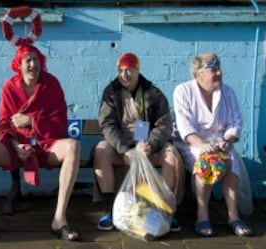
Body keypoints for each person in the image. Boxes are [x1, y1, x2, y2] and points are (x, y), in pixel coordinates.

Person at [0, 44, 81, 241]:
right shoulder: (8, 87)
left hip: (45, 145)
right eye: (27, 60)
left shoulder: (52, 84)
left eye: (36, 59)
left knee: (73, 146)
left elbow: (60, 123)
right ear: (19, 65)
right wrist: (16, 146)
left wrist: (31, 121)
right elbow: (3, 125)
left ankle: (59, 219)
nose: (33, 64)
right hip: (14, 147)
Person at [93, 52, 185, 232]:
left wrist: (151, 144)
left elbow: (164, 124)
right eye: (121, 70)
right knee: (101, 151)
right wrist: (125, 149)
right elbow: (107, 124)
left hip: (147, 146)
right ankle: (109, 209)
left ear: (137, 70)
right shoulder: (110, 93)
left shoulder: (153, 92)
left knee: (171, 155)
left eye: (129, 70)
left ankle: (166, 210)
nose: (124, 75)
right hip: (122, 147)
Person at [173, 52, 253, 237]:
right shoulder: (183, 91)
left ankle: (233, 216)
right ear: (198, 74)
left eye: (219, 69)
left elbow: (236, 122)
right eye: (213, 70)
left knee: (230, 160)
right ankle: (202, 216)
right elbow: (184, 125)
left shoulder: (228, 92)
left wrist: (228, 140)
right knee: (206, 161)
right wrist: (201, 145)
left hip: (221, 142)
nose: (219, 73)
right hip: (192, 143)